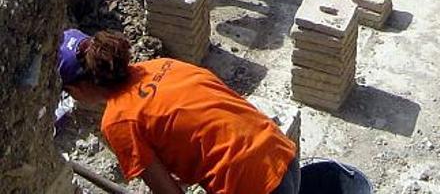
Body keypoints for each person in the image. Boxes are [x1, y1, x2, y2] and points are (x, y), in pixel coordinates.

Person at [58, 29, 300, 194]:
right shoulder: (161, 65)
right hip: (279, 151)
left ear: (80, 87)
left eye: (68, 91)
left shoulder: (118, 121)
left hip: (251, 185)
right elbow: (196, 127)